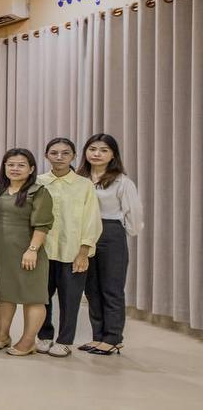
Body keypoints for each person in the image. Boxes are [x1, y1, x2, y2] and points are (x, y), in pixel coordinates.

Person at [76, 133, 141, 356]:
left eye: (103, 150)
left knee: (111, 288)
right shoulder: (79, 178)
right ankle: (98, 336)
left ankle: (113, 338)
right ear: (85, 152)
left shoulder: (122, 181)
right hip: (84, 234)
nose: (97, 154)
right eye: (92, 149)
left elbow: (134, 213)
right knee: (91, 289)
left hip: (110, 233)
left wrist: (122, 233)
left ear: (113, 155)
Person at [36, 137, 101, 358]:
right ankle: (44, 335)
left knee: (70, 299)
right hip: (43, 251)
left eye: (65, 153)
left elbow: (92, 220)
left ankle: (65, 340)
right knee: (41, 297)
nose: (59, 157)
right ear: (46, 156)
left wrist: (84, 252)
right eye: (54, 153)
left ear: (73, 156)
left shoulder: (84, 185)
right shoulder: (38, 182)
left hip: (72, 252)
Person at [0, 148, 54, 357]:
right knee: (4, 296)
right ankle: (2, 335)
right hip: (1, 253)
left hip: (28, 252)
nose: (15, 169)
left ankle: (28, 341)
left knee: (33, 297)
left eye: (21, 165)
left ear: (31, 169)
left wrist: (32, 250)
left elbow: (43, 225)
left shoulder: (38, 191)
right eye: (11, 164)